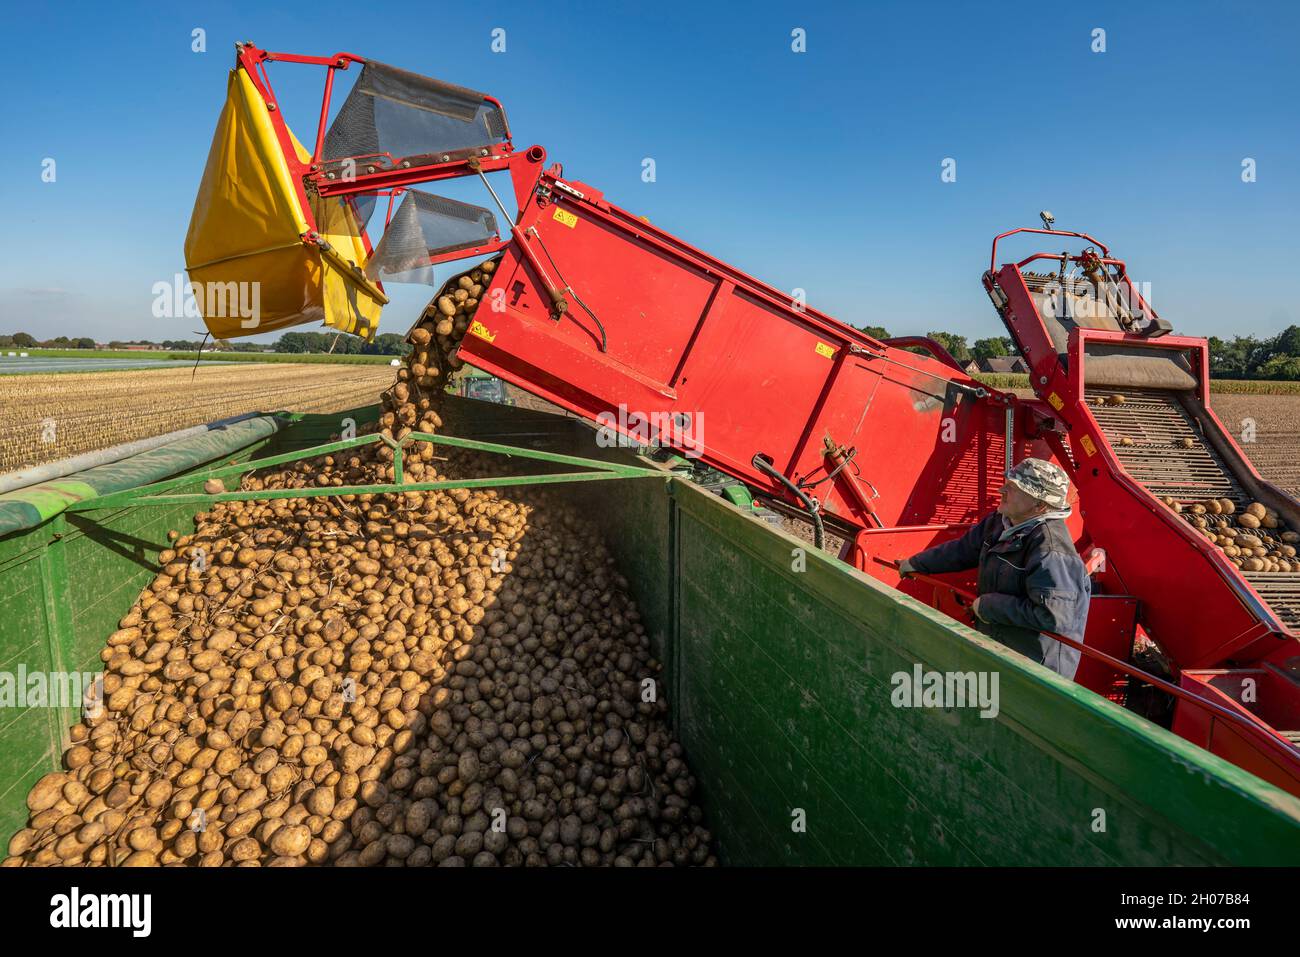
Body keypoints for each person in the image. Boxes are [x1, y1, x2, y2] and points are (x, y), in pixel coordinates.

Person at [898, 458, 1090, 679]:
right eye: (1007, 483)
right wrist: (917, 563)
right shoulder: (1002, 521)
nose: (1002, 490)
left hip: (1035, 672)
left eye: (1015, 488)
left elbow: (1053, 615)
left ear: (1040, 505)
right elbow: (964, 550)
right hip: (1001, 651)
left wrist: (989, 606)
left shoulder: (1051, 550)